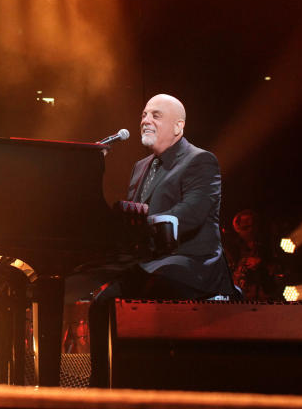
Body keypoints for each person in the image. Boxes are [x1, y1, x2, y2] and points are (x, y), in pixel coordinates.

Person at [84, 93, 237, 387]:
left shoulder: (201, 160)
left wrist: (146, 224)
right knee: (101, 302)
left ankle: (153, 385)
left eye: (156, 115)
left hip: (193, 262)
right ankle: (101, 389)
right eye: (143, 115)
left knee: (155, 287)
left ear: (178, 127)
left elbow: (191, 213)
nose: (145, 121)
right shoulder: (141, 166)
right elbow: (134, 215)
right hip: (151, 262)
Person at [225, 209, 284, 301]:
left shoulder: (267, 246)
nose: (250, 230)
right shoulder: (232, 248)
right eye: (246, 227)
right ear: (237, 228)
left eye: (253, 226)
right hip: (239, 297)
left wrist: (261, 263)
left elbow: (279, 269)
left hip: (263, 296)